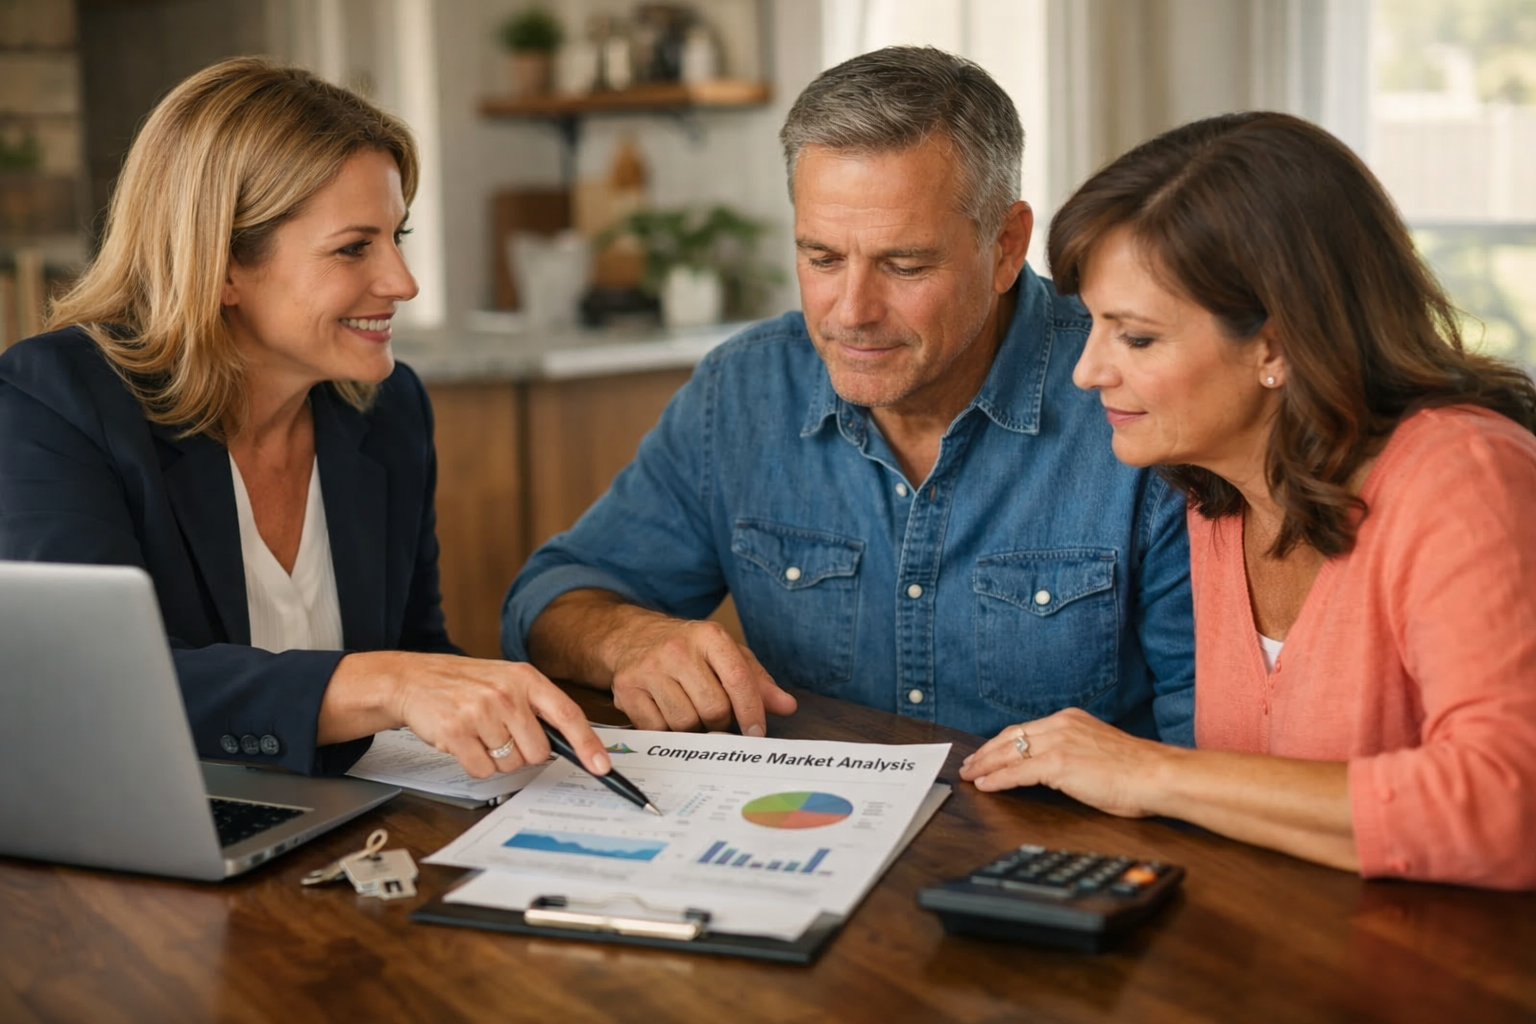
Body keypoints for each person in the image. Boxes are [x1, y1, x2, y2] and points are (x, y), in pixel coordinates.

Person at [501, 46, 1196, 744]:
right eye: (822, 258)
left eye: (905, 264)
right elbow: (546, 600)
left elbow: (1206, 741)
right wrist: (627, 639)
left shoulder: (1131, 399)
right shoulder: (742, 393)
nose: (853, 312)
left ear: (1008, 245)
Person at [960, 111, 1536, 889]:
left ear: (1276, 344)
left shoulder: (1465, 476)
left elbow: (1509, 806)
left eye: (1136, 338)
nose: (1087, 371)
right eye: (1093, 325)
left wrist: (1147, 772)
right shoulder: (1213, 496)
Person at [0, 57, 610, 782]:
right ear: (222, 266)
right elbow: (88, 685)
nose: (403, 282)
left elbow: (417, 651)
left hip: (345, 824)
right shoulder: (55, 402)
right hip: (144, 833)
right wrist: (387, 684)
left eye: (398, 237)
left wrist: (489, 706)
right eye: (354, 248)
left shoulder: (389, 409)